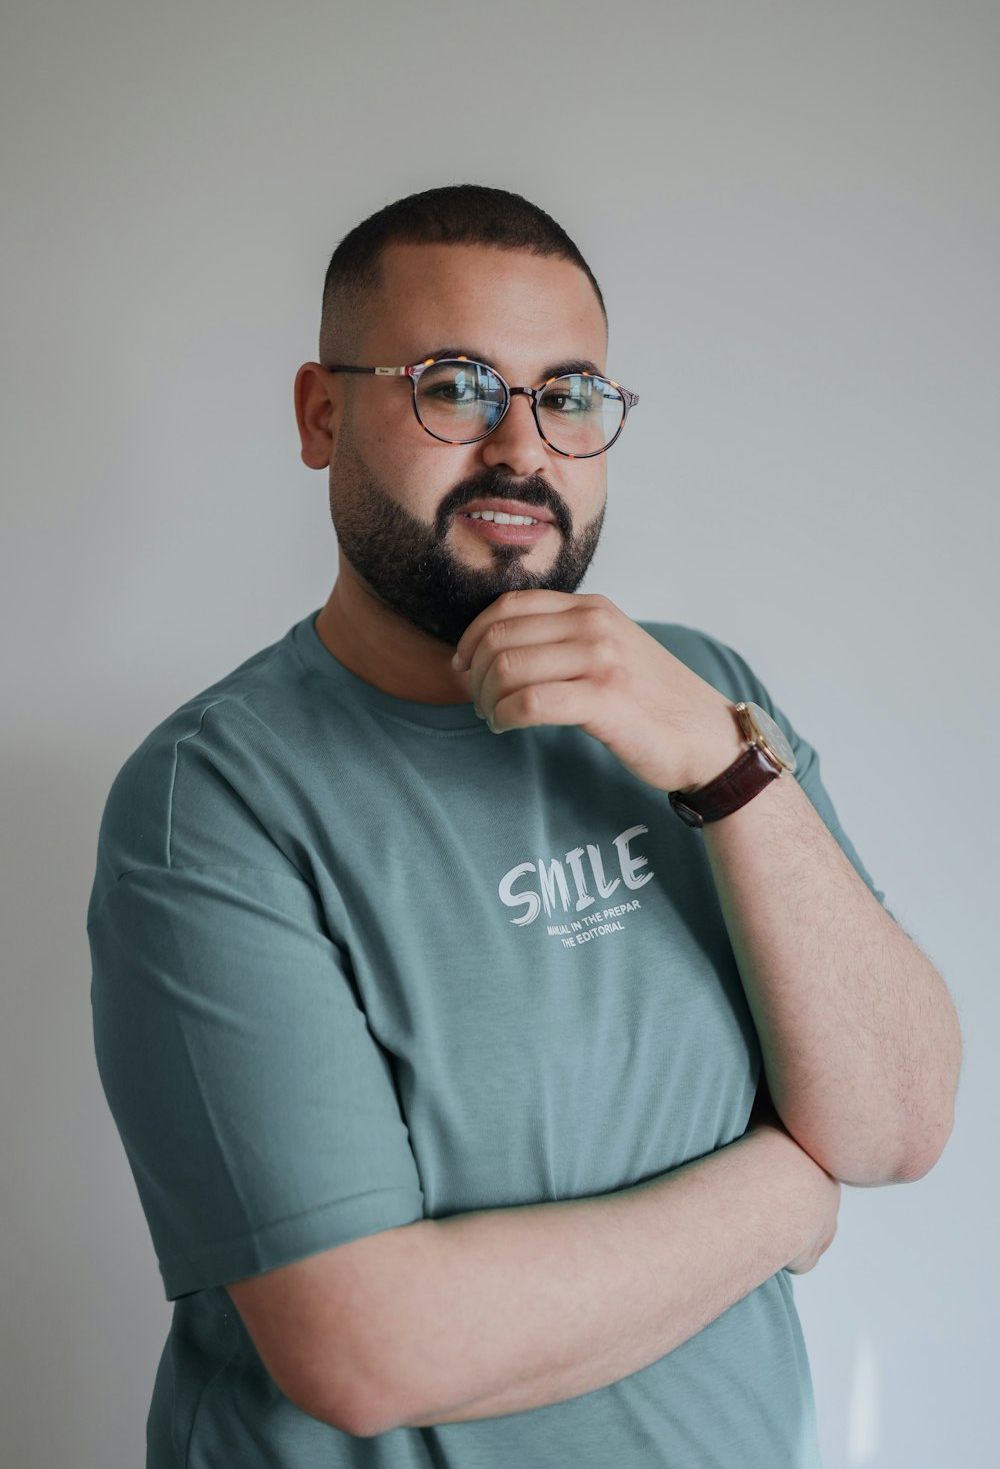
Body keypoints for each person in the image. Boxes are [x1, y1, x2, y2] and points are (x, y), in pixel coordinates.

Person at [87, 183, 962, 1468]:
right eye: (455, 383)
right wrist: (782, 1190)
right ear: (321, 414)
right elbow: (368, 1345)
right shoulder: (213, 799)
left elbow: (894, 1123)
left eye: (569, 394)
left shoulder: (700, 696)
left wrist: (724, 766)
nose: (521, 447)